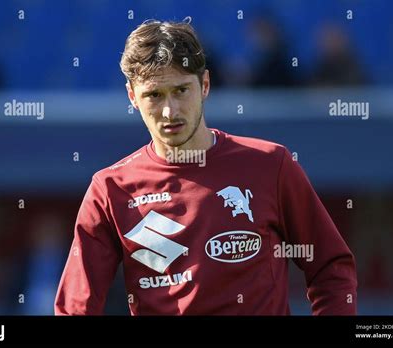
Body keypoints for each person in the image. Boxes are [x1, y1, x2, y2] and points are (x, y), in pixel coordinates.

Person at [54, 19, 357, 315]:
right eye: (154, 95)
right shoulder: (111, 189)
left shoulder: (270, 165)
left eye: (181, 90)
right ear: (133, 97)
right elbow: (75, 306)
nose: (170, 111)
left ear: (205, 85)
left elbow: (331, 267)